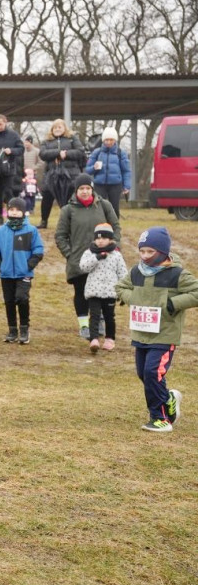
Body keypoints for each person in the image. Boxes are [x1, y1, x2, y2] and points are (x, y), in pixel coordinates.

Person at [115, 227, 198, 433]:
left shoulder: (177, 274)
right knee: (145, 373)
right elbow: (121, 287)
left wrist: (173, 303)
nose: (144, 256)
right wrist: (133, 299)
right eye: (142, 251)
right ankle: (168, 398)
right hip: (142, 333)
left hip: (165, 333)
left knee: (153, 372)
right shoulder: (136, 271)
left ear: (162, 252)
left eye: (150, 252)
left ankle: (160, 418)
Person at [55, 174, 121, 339]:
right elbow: (60, 236)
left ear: (92, 189)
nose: (85, 192)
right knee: (81, 293)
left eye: (88, 188)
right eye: (81, 189)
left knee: (101, 293)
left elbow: (116, 227)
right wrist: (70, 255)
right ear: (76, 190)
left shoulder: (104, 205)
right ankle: (84, 325)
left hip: (104, 259)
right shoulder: (68, 210)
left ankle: (99, 323)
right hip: (79, 260)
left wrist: (113, 247)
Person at [0, 198, 44, 345]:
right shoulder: (0, 231)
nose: (14, 212)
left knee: (22, 298)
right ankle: (12, 330)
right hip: (6, 274)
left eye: (18, 210)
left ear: (23, 212)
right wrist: (0, 265)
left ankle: (24, 329)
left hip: (23, 273)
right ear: (7, 211)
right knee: (9, 301)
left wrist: (29, 265)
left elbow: (38, 250)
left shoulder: (30, 230)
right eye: (12, 209)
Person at [79, 222, 127, 353]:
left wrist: (123, 292)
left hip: (110, 293)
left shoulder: (116, 255)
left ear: (110, 239)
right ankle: (93, 339)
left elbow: (123, 273)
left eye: (104, 238)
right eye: (98, 238)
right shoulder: (89, 253)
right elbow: (83, 267)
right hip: (94, 292)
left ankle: (110, 338)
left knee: (109, 317)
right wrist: (96, 258)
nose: (100, 241)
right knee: (94, 316)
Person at [37, 119, 86, 229]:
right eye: (55, 127)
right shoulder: (46, 141)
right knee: (47, 198)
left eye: (60, 127)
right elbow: (43, 154)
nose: (57, 129)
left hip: (70, 174)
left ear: (64, 128)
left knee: (68, 199)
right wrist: (58, 153)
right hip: (51, 174)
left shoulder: (72, 139)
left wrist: (66, 154)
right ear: (52, 130)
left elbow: (80, 151)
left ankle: (69, 222)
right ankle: (44, 220)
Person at [85, 127, 132, 218]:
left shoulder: (120, 153)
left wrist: (127, 186)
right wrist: (94, 167)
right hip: (99, 185)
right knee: (98, 207)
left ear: (115, 140)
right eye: (106, 140)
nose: (109, 142)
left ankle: (114, 229)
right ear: (103, 140)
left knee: (114, 208)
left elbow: (126, 171)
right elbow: (88, 170)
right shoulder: (96, 152)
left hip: (115, 185)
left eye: (111, 140)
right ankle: (99, 227)